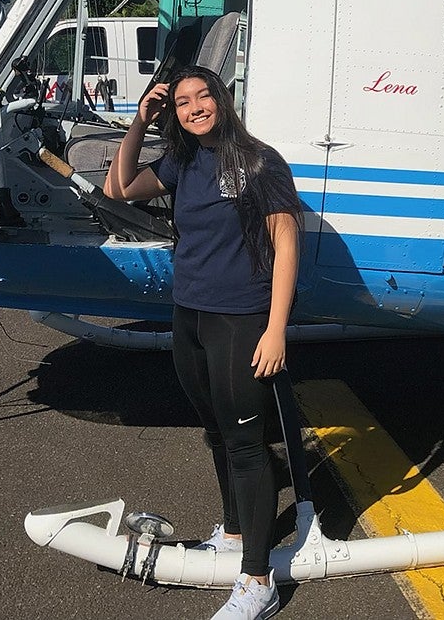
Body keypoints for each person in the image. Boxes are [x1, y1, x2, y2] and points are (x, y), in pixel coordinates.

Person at [104, 65, 302, 620]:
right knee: (215, 431)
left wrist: (275, 328)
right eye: (183, 102)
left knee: (246, 444)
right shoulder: (183, 159)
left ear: (223, 98)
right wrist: (139, 124)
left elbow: (286, 244)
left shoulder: (259, 161)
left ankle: (258, 582)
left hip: (241, 318)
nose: (193, 108)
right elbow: (118, 188)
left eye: (202, 97)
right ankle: (236, 534)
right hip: (189, 315)